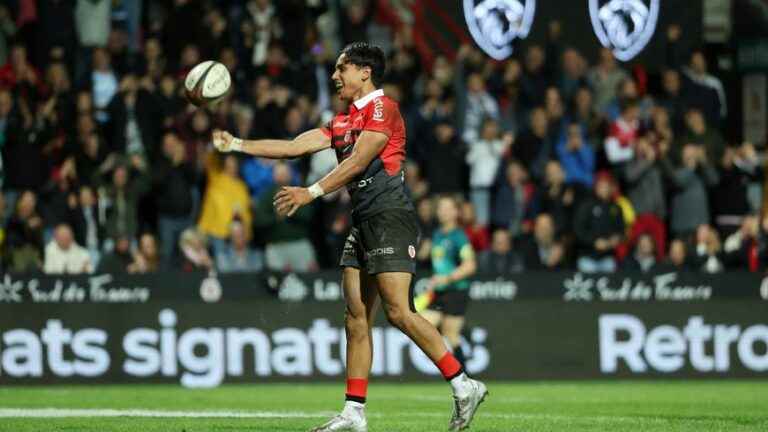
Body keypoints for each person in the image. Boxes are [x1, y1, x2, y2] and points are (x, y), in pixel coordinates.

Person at [212, 42, 487, 432]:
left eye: (342, 68)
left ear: (365, 72)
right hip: (363, 223)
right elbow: (293, 147)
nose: (335, 75)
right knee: (356, 317)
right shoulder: (343, 120)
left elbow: (359, 161)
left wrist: (310, 192)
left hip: (391, 217)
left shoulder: (383, 109)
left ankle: (464, 385)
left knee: (398, 312)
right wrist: (238, 144)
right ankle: (354, 413)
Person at [420, 196, 478, 368]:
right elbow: (423, 256)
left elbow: (470, 265)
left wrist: (447, 277)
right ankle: (463, 333)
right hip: (439, 291)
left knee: (451, 335)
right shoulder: (436, 234)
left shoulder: (459, 237)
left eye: (447, 208)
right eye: (440, 208)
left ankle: (466, 378)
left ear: (455, 212)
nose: (442, 211)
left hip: (456, 290)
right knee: (423, 324)